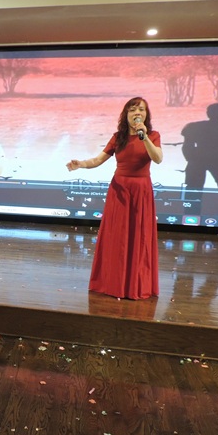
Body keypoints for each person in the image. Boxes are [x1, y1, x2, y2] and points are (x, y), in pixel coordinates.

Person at [66, 97, 163, 300]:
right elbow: (98, 160)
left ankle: (135, 284)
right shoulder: (118, 137)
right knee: (117, 237)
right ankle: (113, 282)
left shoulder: (152, 136)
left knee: (139, 237)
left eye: (141, 110)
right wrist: (81, 164)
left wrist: (144, 137)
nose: (137, 113)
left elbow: (158, 158)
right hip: (119, 191)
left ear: (146, 114)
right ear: (126, 115)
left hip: (141, 191)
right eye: (132, 110)